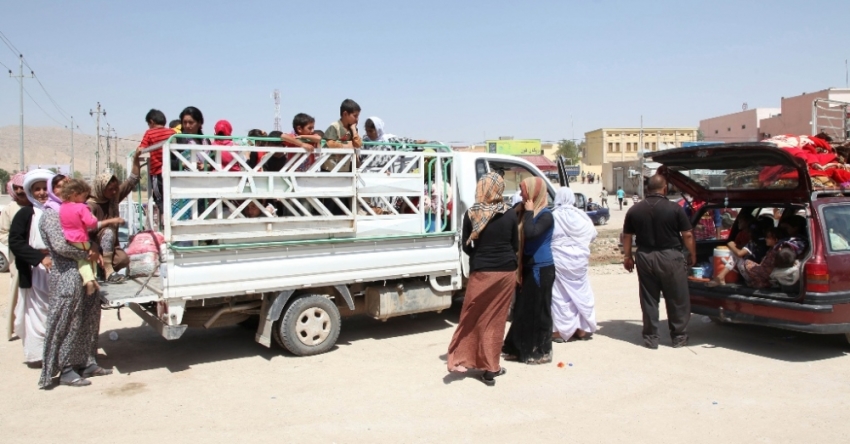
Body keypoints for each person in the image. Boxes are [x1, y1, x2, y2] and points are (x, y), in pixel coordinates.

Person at [447, 172, 517, 386]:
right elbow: (515, 245)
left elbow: (466, 246)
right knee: (496, 321)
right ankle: (490, 367)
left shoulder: (471, 213)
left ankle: (463, 358)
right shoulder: (510, 213)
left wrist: (480, 256)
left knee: (472, 316)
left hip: (481, 272)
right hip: (506, 272)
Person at [39, 180, 111, 388]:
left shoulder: (70, 210)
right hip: (67, 275)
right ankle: (66, 368)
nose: (62, 190)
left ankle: (86, 361)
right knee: (68, 321)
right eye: (58, 186)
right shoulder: (51, 214)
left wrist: (94, 246)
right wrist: (88, 251)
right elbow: (61, 246)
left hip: (84, 272)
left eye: (66, 185)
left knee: (88, 317)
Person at [623, 175, 695, 349]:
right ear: (665, 188)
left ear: (647, 189)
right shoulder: (675, 209)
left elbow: (627, 236)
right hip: (671, 257)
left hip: (645, 256)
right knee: (677, 297)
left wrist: (627, 257)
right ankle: (678, 337)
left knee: (649, 298)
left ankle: (651, 338)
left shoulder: (635, 210)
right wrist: (692, 253)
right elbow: (687, 234)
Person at [502, 177, 556, 365]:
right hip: (526, 267)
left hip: (542, 269)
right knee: (523, 310)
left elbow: (531, 233)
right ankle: (518, 348)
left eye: (524, 190)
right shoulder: (524, 210)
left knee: (541, 310)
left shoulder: (545, 215)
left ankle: (542, 351)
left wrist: (529, 211)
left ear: (534, 192)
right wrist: (522, 210)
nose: (522, 194)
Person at [9, 170, 55, 367]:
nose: (42, 193)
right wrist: (39, 258)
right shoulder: (26, 213)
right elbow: (16, 242)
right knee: (37, 314)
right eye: (37, 189)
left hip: (58, 267)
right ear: (30, 192)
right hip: (35, 272)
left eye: (46, 188)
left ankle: (58, 352)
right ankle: (41, 354)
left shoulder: (57, 211)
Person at [550, 188, 598, 343]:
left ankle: (560, 332)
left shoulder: (553, 216)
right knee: (581, 292)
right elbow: (593, 235)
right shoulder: (582, 216)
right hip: (580, 261)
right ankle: (582, 329)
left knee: (560, 296)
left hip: (559, 261)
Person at [60, 179, 124, 296]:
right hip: (81, 238)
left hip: (69, 238)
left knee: (81, 260)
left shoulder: (63, 206)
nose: (85, 199)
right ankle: (91, 279)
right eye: (84, 196)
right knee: (90, 258)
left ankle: (91, 279)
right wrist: (92, 217)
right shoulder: (82, 207)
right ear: (75, 195)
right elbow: (91, 223)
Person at [88, 148, 142, 283]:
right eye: (110, 189)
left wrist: (136, 159)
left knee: (123, 260)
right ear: (101, 188)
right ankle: (107, 271)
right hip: (91, 246)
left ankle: (104, 270)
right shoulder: (90, 205)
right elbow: (87, 229)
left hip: (111, 247)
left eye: (115, 189)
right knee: (108, 231)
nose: (113, 192)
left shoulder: (114, 198)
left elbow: (132, 180)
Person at [2, 172, 27, 340]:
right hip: (18, 257)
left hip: (39, 257)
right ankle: (12, 329)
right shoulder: (10, 209)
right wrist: (18, 242)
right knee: (16, 293)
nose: (20, 191)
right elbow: (2, 233)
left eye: (22, 187)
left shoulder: (37, 206)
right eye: (16, 187)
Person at [139, 109, 176, 217]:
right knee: (171, 196)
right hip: (171, 172)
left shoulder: (150, 133)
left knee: (159, 197)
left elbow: (141, 148)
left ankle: (165, 217)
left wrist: (136, 156)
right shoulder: (172, 133)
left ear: (151, 122)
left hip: (157, 172)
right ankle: (173, 215)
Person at [708, 212, 756, 287]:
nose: (738, 223)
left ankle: (720, 277)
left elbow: (739, 253)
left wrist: (731, 245)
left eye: (740, 221)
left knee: (734, 256)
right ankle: (720, 276)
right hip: (749, 269)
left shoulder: (753, 243)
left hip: (753, 274)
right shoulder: (741, 235)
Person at [323, 99, 363, 172]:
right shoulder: (335, 126)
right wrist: (346, 146)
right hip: (330, 168)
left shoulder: (352, 129)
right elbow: (330, 143)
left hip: (344, 169)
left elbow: (358, 145)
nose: (357, 119)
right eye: (355, 116)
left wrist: (354, 130)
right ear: (345, 114)